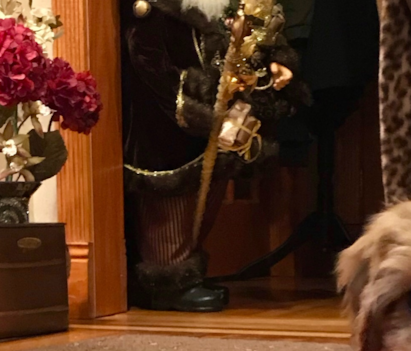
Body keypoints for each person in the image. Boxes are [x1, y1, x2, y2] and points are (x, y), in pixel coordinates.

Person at [121, 0, 306, 311]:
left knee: (206, 194)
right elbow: (149, 62)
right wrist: (196, 107)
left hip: (219, 115)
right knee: (170, 201)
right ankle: (168, 278)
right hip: (166, 124)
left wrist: (275, 61)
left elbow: (254, 35)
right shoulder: (152, 10)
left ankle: (187, 271)